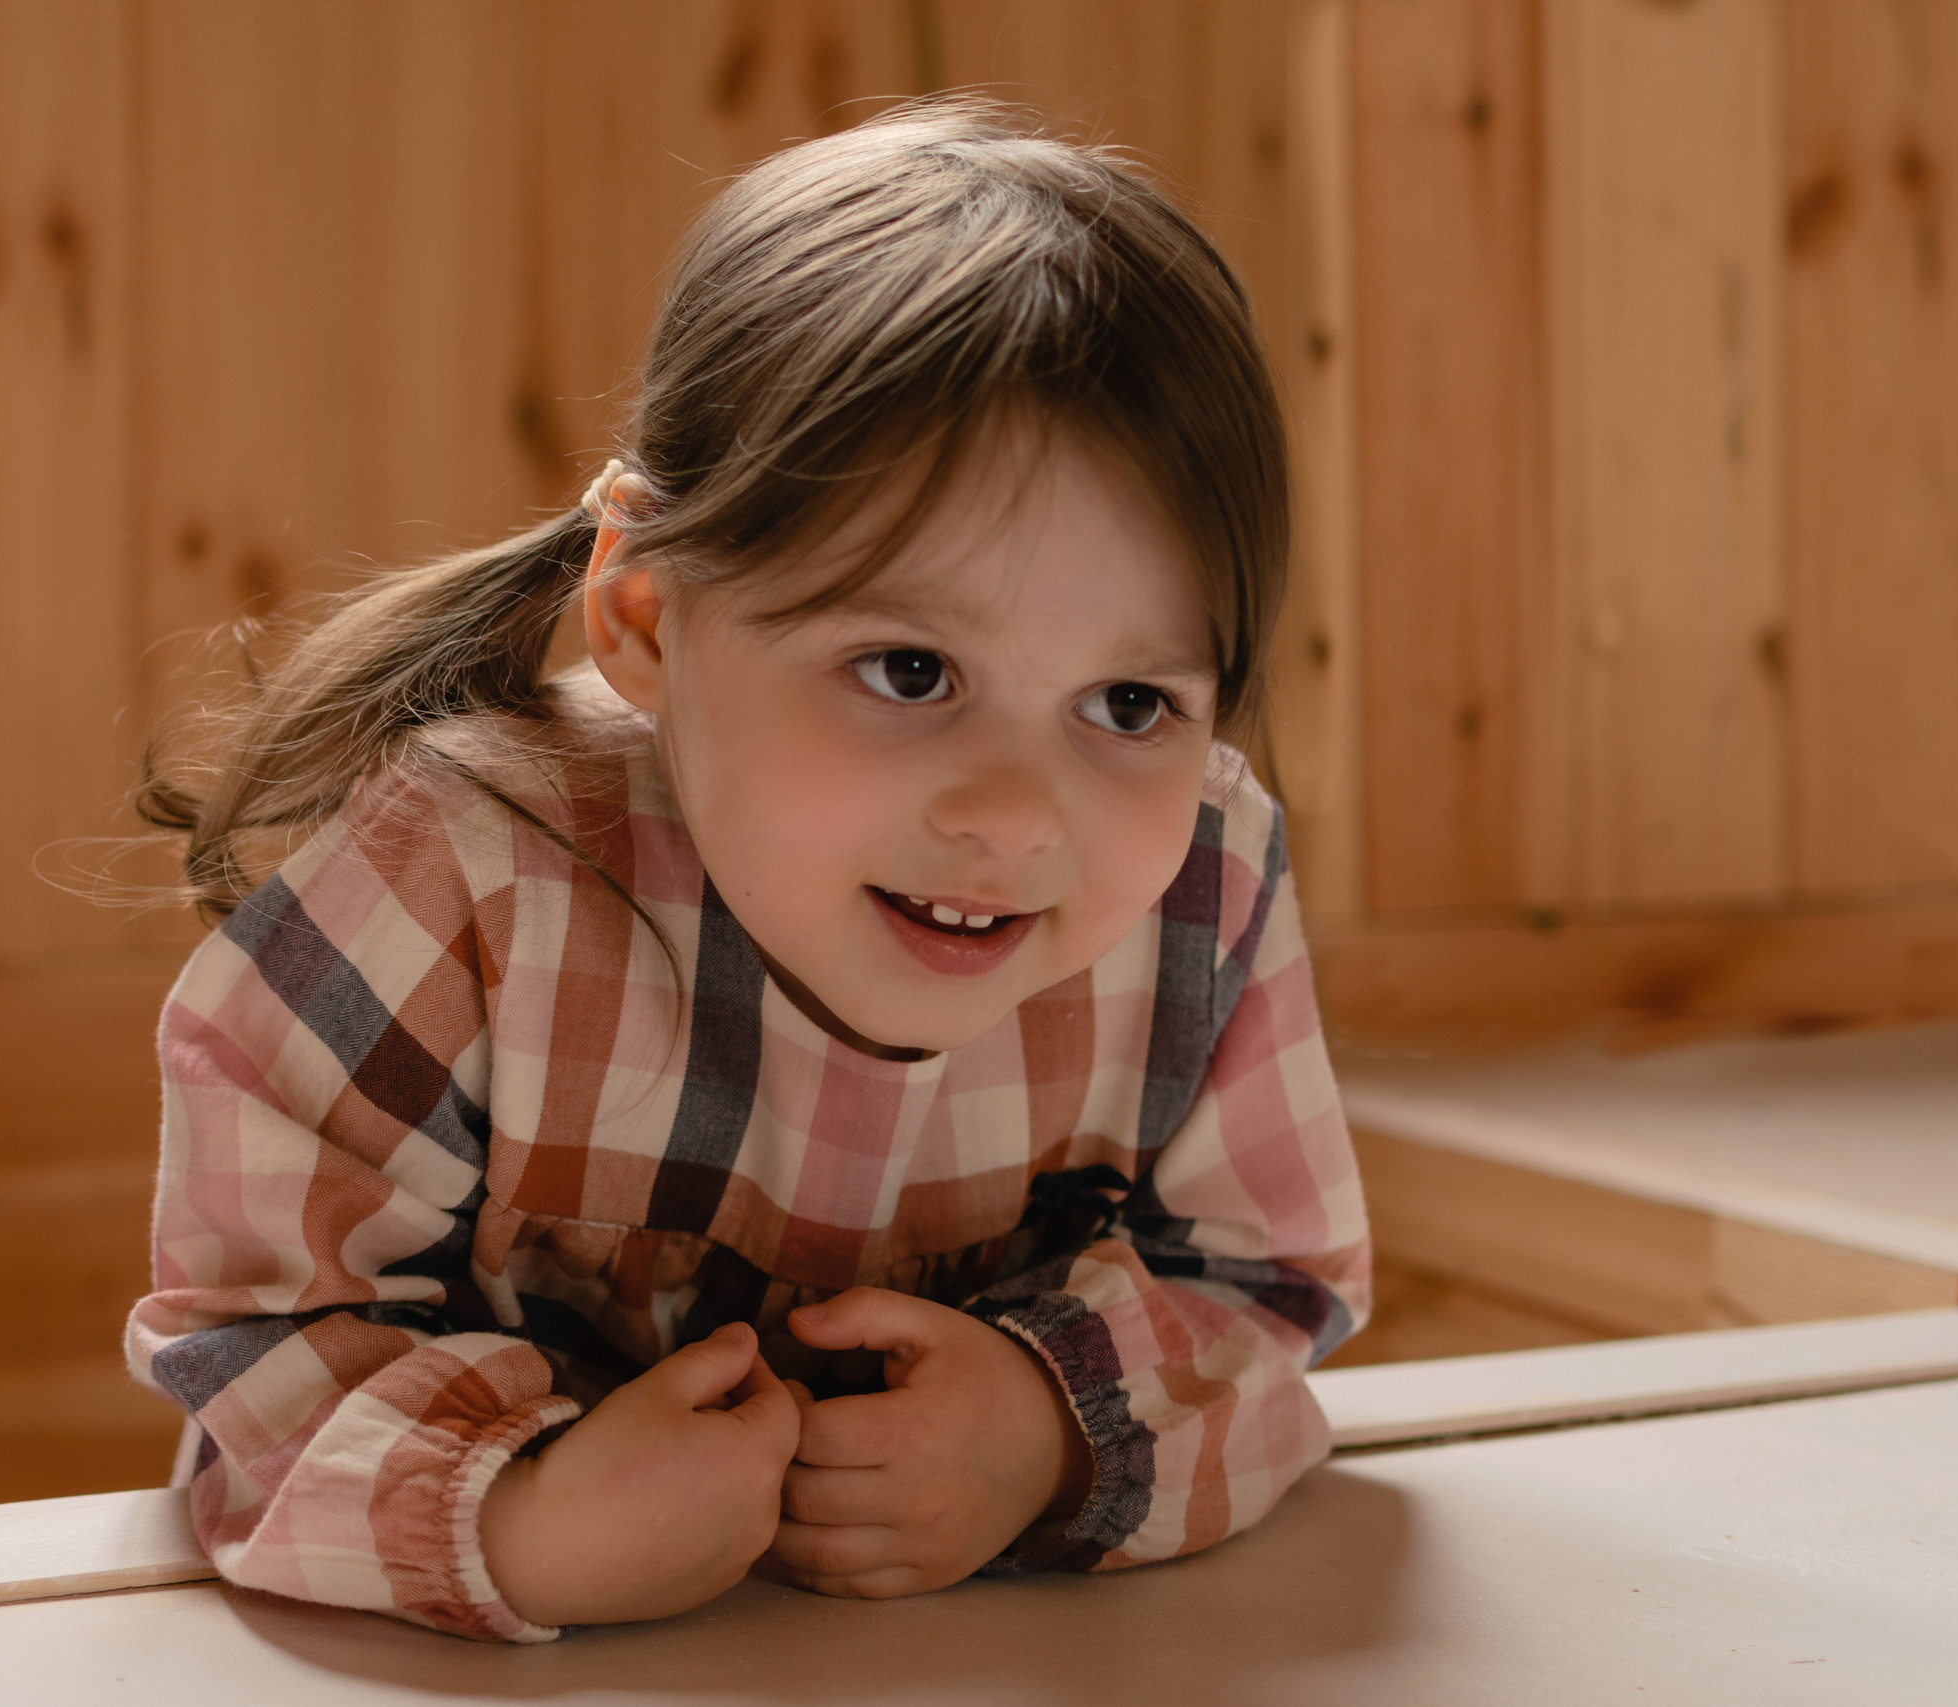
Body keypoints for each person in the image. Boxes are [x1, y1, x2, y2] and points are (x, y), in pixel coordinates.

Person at [124, 96, 1370, 1644]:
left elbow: (1269, 1296)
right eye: (910, 670)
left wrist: (1052, 1436)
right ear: (644, 617)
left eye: (1129, 705)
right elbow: (256, 1355)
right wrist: (518, 1525)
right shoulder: (449, 878)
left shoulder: (1205, 881)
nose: (1015, 817)